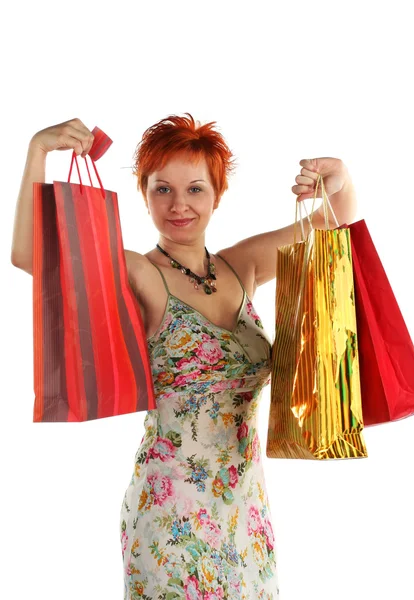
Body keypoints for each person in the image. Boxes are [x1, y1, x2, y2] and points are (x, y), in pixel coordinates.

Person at [11, 114, 356, 599]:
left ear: (218, 193)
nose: (178, 205)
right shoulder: (138, 272)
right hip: (168, 517)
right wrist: (37, 150)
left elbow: (333, 230)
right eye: (161, 190)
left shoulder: (244, 265)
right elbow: (31, 254)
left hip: (246, 510)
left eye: (195, 189)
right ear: (144, 195)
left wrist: (340, 180)